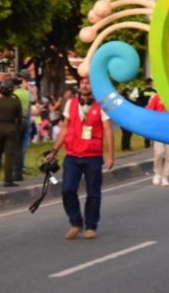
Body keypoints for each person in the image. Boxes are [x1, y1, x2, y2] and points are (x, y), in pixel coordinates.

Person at [47, 76, 114, 240]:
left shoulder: (102, 104)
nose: (85, 86)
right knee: (67, 189)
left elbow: (108, 130)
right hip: (72, 155)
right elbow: (64, 129)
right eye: (82, 83)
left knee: (93, 192)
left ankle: (91, 226)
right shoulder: (71, 104)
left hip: (93, 156)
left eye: (88, 83)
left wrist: (111, 155)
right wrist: (54, 150)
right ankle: (76, 222)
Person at [145, 93, 169, 186]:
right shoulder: (156, 97)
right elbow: (149, 112)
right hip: (159, 130)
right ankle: (157, 173)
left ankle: (165, 176)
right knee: (159, 152)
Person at [13, 70, 33, 181]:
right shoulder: (25, 93)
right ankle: (20, 168)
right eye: (26, 80)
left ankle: (17, 168)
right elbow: (33, 101)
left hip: (18, 121)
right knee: (21, 146)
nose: (27, 82)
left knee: (17, 146)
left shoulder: (15, 93)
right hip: (25, 120)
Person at [135, 77, 156, 148]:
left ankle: (147, 143)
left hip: (146, 112)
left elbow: (138, 102)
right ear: (151, 83)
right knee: (154, 127)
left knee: (147, 128)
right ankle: (155, 141)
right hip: (153, 113)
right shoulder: (154, 92)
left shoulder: (142, 92)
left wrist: (144, 107)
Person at [119, 87, 134, 151]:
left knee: (125, 133)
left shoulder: (120, 100)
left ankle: (124, 146)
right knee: (128, 133)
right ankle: (127, 146)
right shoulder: (128, 101)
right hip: (127, 120)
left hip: (121, 120)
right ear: (127, 93)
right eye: (129, 93)